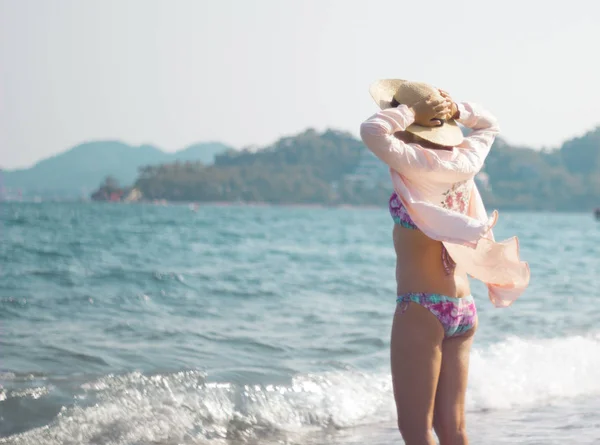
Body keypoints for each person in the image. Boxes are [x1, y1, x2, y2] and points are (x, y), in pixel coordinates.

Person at [360, 80, 530, 445]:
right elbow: (490, 124)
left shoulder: (415, 164)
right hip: (462, 308)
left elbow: (372, 130)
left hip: (422, 307)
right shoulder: (466, 161)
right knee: (453, 430)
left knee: (416, 432)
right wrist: (458, 111)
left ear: (411, 127)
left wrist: (409, 112)